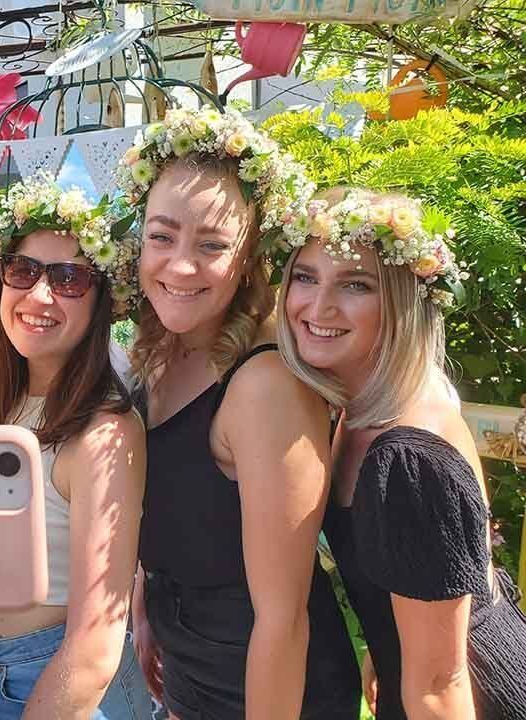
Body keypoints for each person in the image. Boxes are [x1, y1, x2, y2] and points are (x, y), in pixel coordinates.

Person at [117, 107, 361, 719]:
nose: (179, 265)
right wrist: (149, 604)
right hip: (188, 666)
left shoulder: (265, 386)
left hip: (268, 689)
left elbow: (284, 617)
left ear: (250, 257)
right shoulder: (162, 351)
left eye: (212, 245)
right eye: (162, 236)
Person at [275, 186, 526, 719]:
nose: (318, 307)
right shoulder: (373, 404)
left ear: (402, 300)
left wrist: (410, 662)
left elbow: (442, 682)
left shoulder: (408, 459)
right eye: (305, 277)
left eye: (356, 285)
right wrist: (391, 649)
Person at [0, 175, 151, 719]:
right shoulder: (4, 407)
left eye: (69, 278)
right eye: (23, 270)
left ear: (102, 300)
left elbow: (96, 640)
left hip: (59, 685)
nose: (38, 294)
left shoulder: (105, 431)